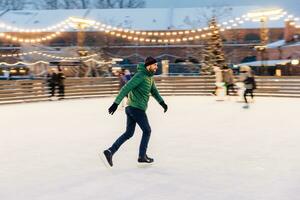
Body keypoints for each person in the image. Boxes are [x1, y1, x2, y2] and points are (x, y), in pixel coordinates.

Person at [103, 56, 168, 167]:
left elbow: (155, 92)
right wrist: (116, 103)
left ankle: (110, 151)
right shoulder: (140, 76)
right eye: (154, 65)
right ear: (148, 66)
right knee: (147, 131)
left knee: (129, 133)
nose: (156, 67)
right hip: (136, 109)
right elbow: (126, 88)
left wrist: (162, 103)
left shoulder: (150, 78)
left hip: (132, 109)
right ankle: (142, 156)